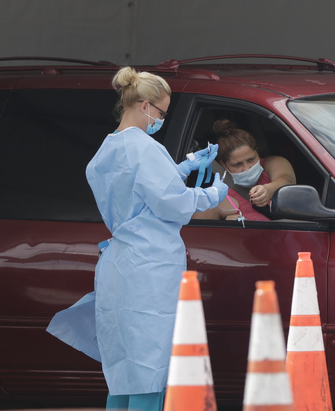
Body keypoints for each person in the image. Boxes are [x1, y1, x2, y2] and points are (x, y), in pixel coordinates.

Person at [47, 67, 228, 411]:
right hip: (149, 267)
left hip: (119, 265)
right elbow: (171, 203)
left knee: (122, 365)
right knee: (150, 363)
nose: (162, 119)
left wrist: (183, 167)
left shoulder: (108, 148)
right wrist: (212, 194)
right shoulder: (145, 148)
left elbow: (138, 195)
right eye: (162, 112)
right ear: (145, 105)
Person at [193, 118, 296, 221]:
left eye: (251, 159)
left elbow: (287, 181)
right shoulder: (215, 198)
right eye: (237, 164)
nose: (247, 168)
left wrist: (268, 190)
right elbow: (201, 234)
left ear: (257, 151)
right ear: (224, 165)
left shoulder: (273, 163)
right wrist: (227, 229)